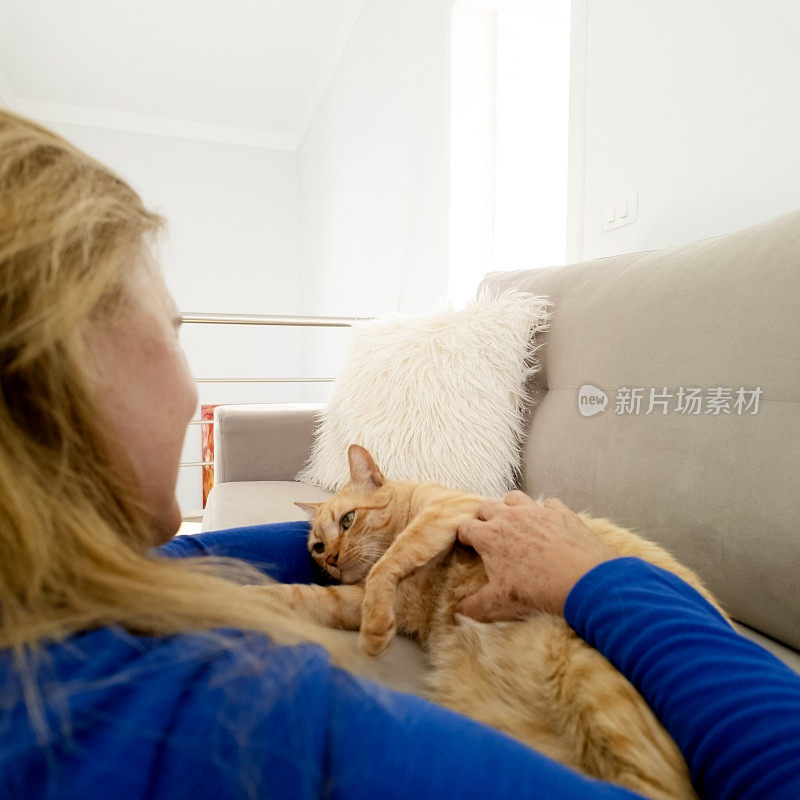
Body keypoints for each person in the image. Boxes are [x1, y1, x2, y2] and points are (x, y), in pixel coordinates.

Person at [0, 108, 798, 800]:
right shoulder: (227, 720)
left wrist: (367, 550)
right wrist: (596, 576)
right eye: (175, 331)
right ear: (57, 361)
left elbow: (186, 561)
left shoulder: (48, 609)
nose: (189, 383)